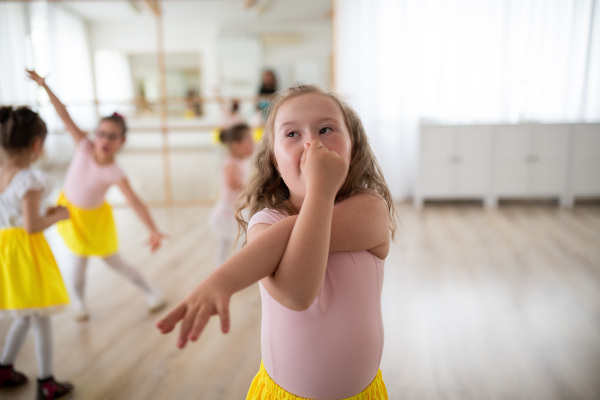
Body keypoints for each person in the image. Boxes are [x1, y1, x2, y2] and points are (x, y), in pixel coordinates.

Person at [157, 84, 396, 400]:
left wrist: (227, 277)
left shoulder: (370, 208)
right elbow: (297, 294)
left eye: (326, 129)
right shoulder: (265, 222)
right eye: (292, 134)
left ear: (354, 147)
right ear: (274, 159)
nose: (312, 143)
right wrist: (319, 194)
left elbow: (298, 232)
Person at [26, 70, 167, 322]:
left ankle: (151, 292)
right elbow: (64, 115)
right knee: (78, 262)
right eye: (101, 133)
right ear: (95, 134)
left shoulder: (114, 171)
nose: (104, 140)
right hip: (69, 213)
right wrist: (44, 86)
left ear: (121, 141)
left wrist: (153, 230)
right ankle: (78, 300)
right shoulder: (84, 145)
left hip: (95, 221)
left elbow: (135, 202)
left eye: (112, 136)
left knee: (115, 262)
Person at [0, 106, 74, 399]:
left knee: (27, 312)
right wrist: (60, 216)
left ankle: (4, 368)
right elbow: (32, 226)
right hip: (26, 251)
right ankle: (47, 382)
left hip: (6, 249)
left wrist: (46, 211)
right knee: (40, 316)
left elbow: (14, 216)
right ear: (37, 145)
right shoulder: (29, 179)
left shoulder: (3, 173)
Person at [209, 123, 254, 266]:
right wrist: (252, 186)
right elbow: (232, 182)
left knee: (233, 240)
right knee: (231, 241)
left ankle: (230, 267)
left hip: (235, 210)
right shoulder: (231, 163)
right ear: (236, 145)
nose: (253, 144)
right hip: (228, 212)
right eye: (249, 141)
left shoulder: (239, 162)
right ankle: (225, 269)